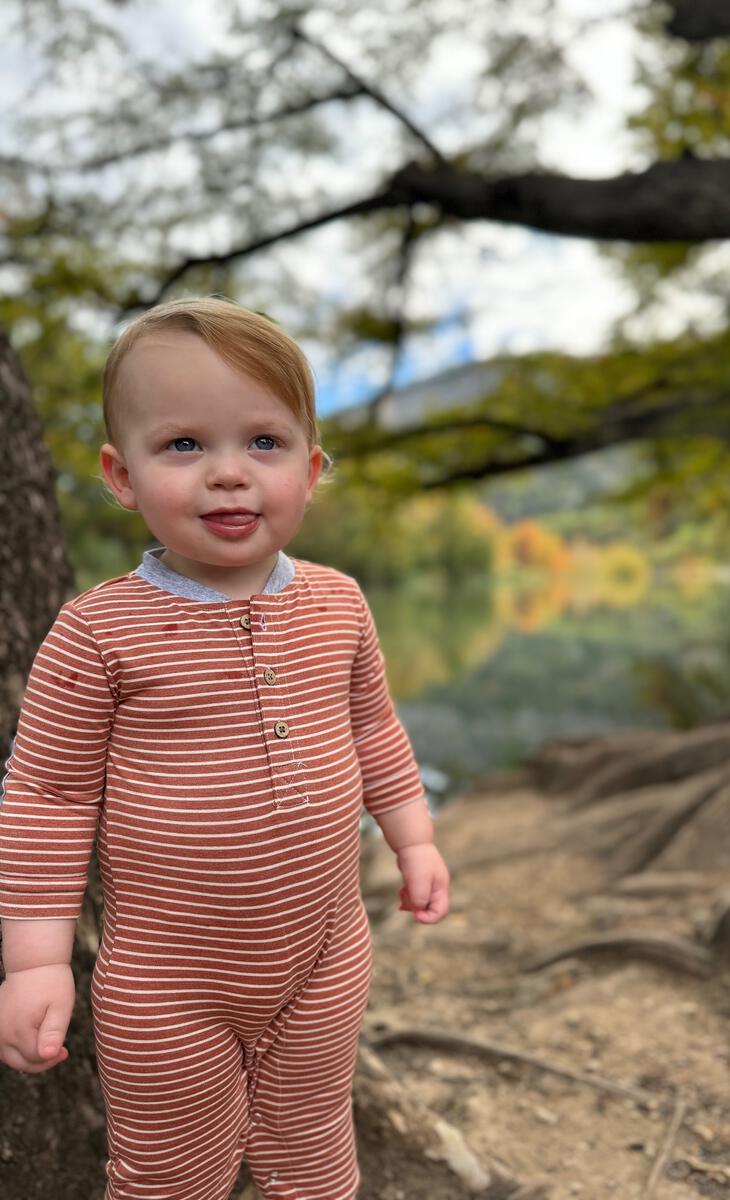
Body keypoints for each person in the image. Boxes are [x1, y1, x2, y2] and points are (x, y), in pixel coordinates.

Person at [0, 296, 451, 1200]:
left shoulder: (338, 603)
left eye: (263, 444)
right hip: (169, 982)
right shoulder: (99, 632)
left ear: (311, 469)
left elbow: (374, 730)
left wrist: (414, 838)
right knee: (170, 1174)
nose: (228, 476)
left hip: (325, 953)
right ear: (120, 476)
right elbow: (47, 796)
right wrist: (36, 959)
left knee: (316, 1151)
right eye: (184, 446)